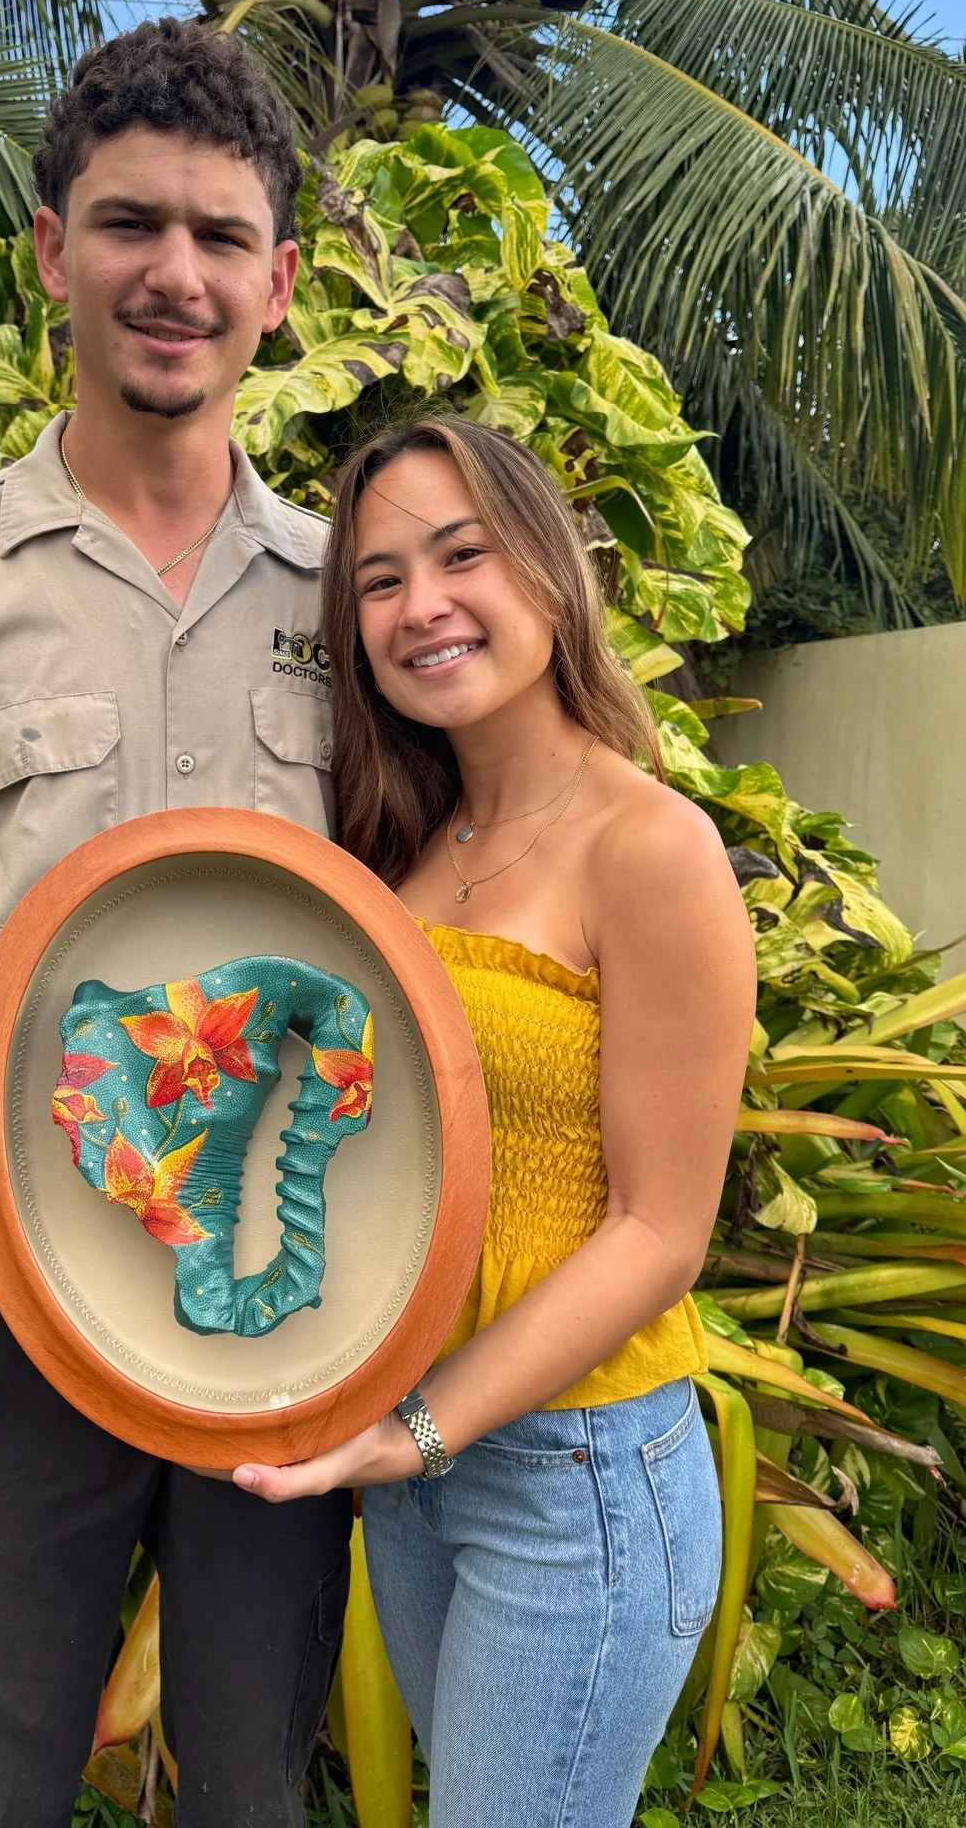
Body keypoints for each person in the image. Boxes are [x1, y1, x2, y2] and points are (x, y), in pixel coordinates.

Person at [0, 19, 351, 1828]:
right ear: (50, 251)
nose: (173, 276)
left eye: (219, 235)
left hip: (286, 1291)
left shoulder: (366, 604)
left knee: (255, 1774)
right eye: (126, 226)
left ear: (279, 282)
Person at [232, 414, 757, 1827]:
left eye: (462, 555)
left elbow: (659, 1234)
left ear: (546, 567)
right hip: (416, 1462)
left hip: (573, 1476)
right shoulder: (399, 846)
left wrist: (418, 1431)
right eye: (381, 580)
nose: (424, 607)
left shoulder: (650, 848)